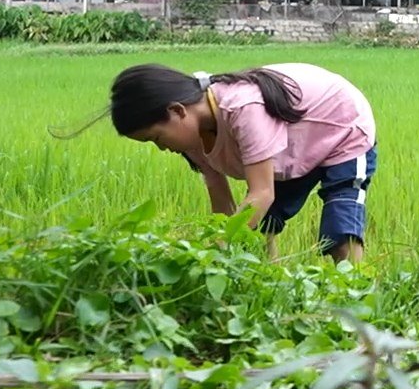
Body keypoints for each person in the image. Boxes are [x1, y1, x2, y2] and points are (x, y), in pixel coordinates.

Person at [105, 62, 378, 263]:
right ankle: (267, 281)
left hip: (343, 128)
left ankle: (355, 298)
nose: (162, 148)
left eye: (156, 138)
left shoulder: (243, 110)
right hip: (294, 145)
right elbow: (222, 205)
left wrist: (217, 248)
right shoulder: (194, 138)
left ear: (177, 111)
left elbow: (262, 192)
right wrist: (222, 239)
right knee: (257, 228)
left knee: (338, 231)